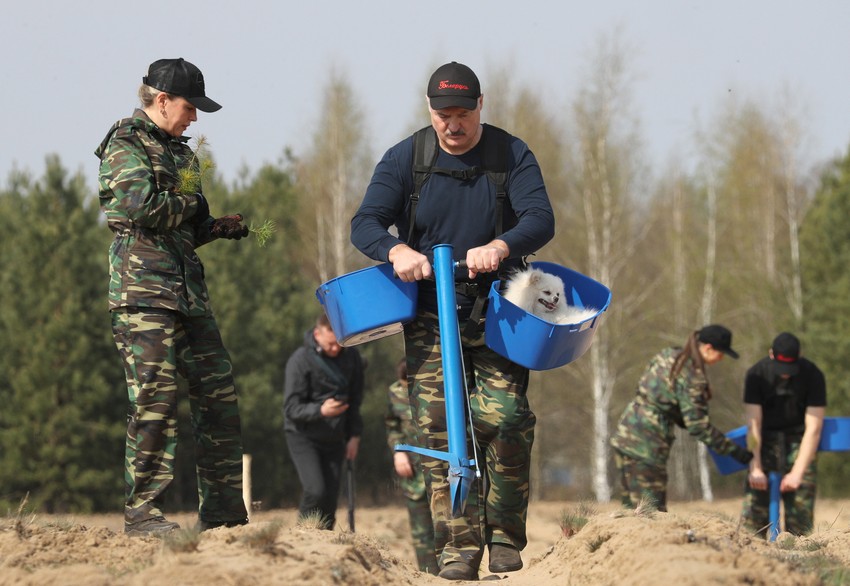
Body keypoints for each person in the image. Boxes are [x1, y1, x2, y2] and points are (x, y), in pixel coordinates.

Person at [351, 61, 555, 581]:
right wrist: (395, 250)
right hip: (428, 313)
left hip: (499, 311)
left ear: (481, 106)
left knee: (505, 418)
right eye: (444, 115)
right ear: (430, 112)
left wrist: (502, 245)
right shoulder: (407, 158)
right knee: (442, 431)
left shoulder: (511, 154)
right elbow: (365, 221)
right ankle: (457, 548)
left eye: (463, 113)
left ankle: (505, 538)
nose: (453, 125)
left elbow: (540, 218)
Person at [94, 58, 251, 536]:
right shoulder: (125, 142)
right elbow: (141, 207)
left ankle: (224, 514)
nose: (195, 118)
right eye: (189, 107)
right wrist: (190, 207)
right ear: (161, 101)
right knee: (155, 401)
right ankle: (143, 513)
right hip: (143, 294)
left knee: (219, 395)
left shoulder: (182, 154)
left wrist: (214, 227)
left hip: (187, 294)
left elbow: (180, 228)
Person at [610, 325, 753, 512]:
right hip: (647, 446)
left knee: (630, 510)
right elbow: (699, 427)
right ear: (708, 348)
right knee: (650, 513)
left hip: (626, 433)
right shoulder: (694, 377)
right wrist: (737, 452)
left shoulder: (668, 355)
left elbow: (650, 389)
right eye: (721, 353)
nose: (721, 358)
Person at [284, 313, 364, 530]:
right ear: (317, 334)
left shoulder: (352, 357)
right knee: (315, 490)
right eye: (330, 345)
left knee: (329, 498)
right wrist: (320, 410)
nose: (336, 349)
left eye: (339, 344)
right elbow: (291, 408)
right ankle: (303, 535)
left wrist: (354, 436)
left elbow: (355, 400)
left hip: (336, 437)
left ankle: (326, 543)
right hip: (303, 436)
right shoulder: (300, 360)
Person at [742, 332, 826, 537]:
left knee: (801, 514)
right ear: (771, 355)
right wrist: (756, 467)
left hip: (800, 441)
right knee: (754, 517)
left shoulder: (813, 375)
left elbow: (814, 427)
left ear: (800, 355)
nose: (786, 374)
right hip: (764, 439)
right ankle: (754, 555)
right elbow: (754, 425)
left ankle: (799, 555)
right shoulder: (757, 374)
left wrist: (797, 473)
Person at [385, 358, 438, 574]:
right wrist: (398, 452)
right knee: (421, 530)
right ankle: (429, 576)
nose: (404, 389)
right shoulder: (395, 391)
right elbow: (392, 425)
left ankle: (458, 573)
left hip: (441, 467)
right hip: (413, 470)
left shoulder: (437, 385)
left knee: (450, 524)